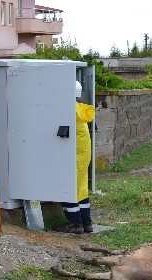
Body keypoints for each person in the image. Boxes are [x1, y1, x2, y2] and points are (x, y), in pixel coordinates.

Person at [57, 81, 95, 234]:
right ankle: (87, 224)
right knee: (81, 189)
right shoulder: (80, 108)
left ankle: (75, 224)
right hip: (83, 156)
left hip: (74, 155)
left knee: (68, 188)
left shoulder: (67, 110)